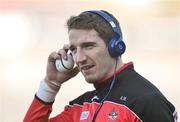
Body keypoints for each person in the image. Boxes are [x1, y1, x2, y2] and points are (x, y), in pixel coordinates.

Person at [23, 10, 178, 122]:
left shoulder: (147, 102)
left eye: (88, 46)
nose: (79, 58)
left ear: (116, 46)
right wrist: (50, 85)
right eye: (73, 49)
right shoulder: (81, 105)